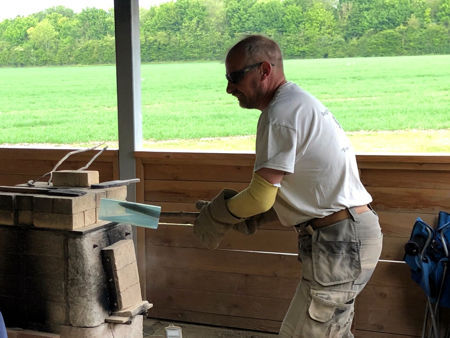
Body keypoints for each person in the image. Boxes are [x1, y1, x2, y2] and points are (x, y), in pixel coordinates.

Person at [194, 35, 383, 338]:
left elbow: (260, 196)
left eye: (235, 77)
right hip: (341, 237)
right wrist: (252, 216)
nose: (229, 88)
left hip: (341, 240)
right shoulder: (295, 103)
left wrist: (221, 215)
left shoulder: (280, 115)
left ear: (265, 70)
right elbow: (308, 189)